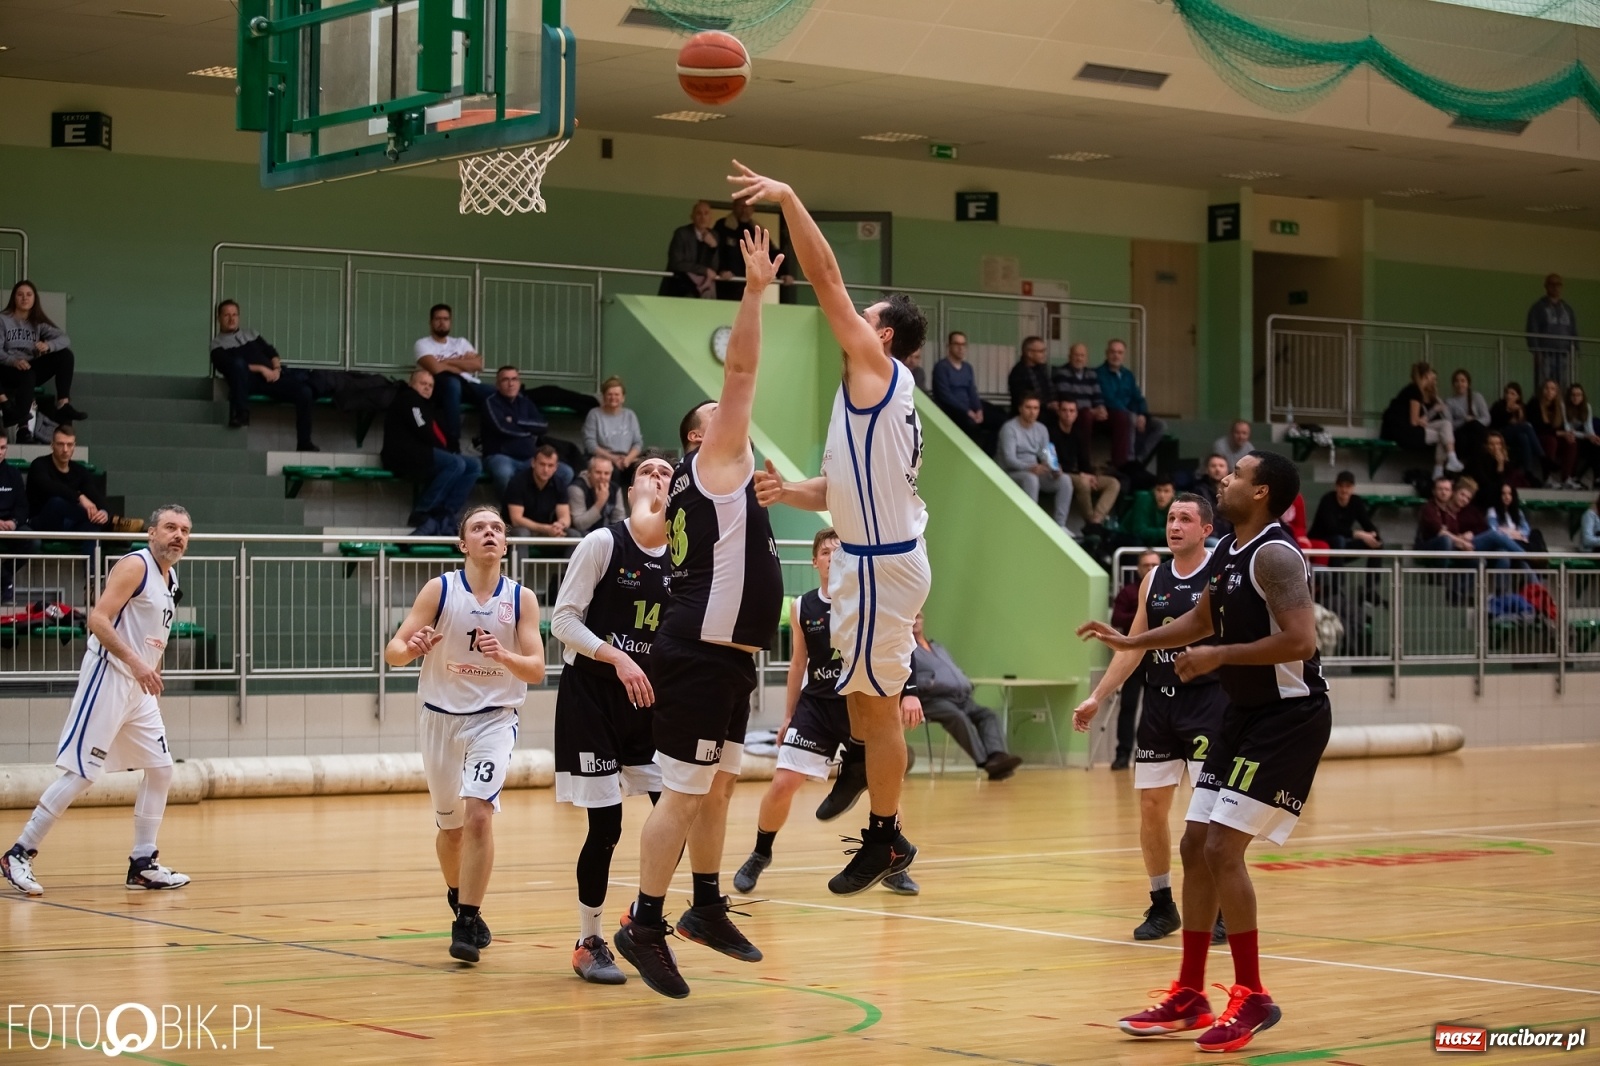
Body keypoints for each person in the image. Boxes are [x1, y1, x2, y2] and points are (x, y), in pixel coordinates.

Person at [1078, 450, 1332, 1054]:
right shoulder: (1226, 555)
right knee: (1194, 842)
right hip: (1243, 714)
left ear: (1263, 492)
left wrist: (1221, 656)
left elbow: (1300, 639)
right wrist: (1131, 639)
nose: (1227, 479)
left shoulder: (1274, 554)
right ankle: (1191, 993)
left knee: (1221, 846)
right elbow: (1198, 622)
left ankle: (1252, 996)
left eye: (1239, 475)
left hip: (1288, 718)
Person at [736, 162, 929, 899]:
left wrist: (788, 198)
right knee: (862, 705)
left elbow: (825, 278)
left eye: (862, 314)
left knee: (877, 713)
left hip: (880, 566)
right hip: (866, 558)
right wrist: (794, 492)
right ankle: (868, 776)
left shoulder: (876, 368)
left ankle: (886, 839)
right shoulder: (869, 398)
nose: (848, 319)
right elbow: (841, 488)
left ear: (880, 334)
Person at [612, 227, 785, 1000]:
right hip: (699, 646)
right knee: (683, 791)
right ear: (702, 436)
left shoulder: (717, 484)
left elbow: (651, 523)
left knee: (714, 787)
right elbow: (743, 367)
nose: (738, 418)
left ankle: (706, 905)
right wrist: (753, 290)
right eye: (721, 415)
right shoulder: (717, 464)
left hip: (729, 653)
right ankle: (644, 922)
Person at [2, 506, 194, 897]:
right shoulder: (134, 566)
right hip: (109, 676)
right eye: (170, 528)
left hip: (138, 686)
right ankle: (18, 853)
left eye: (185, 531)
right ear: (151, 533)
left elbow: (148, 630)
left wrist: (150, 666)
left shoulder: (170, 575)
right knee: (84, 773)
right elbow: (98, 619)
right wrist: (139, 663)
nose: (178, 535)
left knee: (160, 769)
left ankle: (143, 863)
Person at [383, 506, 544, 963]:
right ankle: (458, 893)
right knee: (450, 829)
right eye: (479, 528)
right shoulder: (440, 589)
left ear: (506, 544)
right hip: (439, 719)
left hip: (494, 718)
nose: (489, 533)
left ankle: (466, 921)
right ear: (463, 544)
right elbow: (392, 651)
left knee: (479, 816)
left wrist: (506, 658)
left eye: (497, 528)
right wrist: (410, 649)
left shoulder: (522, 598)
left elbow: (535, 669)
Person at [731, 529, 925, 897]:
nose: (832, 554)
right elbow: (798, 662)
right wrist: (788, 716)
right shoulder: (803, 605)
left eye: (838, 549)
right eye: (825, 550)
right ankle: (760, 852)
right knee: (784, 782)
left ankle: (893, 860)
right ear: (815, 561)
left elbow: (900, 645)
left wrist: (910, 693)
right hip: (817, 705)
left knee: (885, 790)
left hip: (863, 702)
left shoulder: (865, 597)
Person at [1073, 494, 1229, 945]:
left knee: (1208, 816)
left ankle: (1216, 904)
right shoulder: (1152, 579)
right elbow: (1136, 645)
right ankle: (1162, 904)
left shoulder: (1217, 574)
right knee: (1150, 807)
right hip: (1160, 705)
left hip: (1208, 703)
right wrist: (1097, 696)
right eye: (1170, 518)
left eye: (1185, 519)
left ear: (1205, 529)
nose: (1175, 525)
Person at [549, 453, 675, 985]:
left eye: (668, 472)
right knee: (607, 827)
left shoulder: (686, 560)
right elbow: (562, 621)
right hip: (594, 697)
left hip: (648, 703)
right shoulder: (604, 543)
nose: (659, 478)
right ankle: (588, 939)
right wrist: (618, 656)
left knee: (676, 816)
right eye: (648, 471)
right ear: (630, 488)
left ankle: (642, 923)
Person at [912, 611, 1024, 779]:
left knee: (988, 715)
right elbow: (905, 678)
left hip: (960, 697)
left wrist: (962, 679)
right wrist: (931, 683)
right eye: (911, 617)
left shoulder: (937, 647)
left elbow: (952, 668)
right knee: (958, 717)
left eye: (918, 616)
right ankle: (987, 763)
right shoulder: (906, 649)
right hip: (931, 700)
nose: (915, 620)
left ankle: (997, 756)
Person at [381, 368, 483, 537]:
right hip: (403, 454)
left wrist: (450, 450)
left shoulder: (428, 405)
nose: (427, 388)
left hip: (423, 452)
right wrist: (449, 453)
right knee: (455, 463)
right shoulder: (409, 399)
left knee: (474, 465)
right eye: (423, 383)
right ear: (411, 384)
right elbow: (423, 430)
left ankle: (446, 513)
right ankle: (423, 511)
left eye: (430, 385)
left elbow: (439, 434)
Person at [209, 299, 317, 451]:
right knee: (238, 363)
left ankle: (304, 442)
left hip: (272, 378)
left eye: (235, 314)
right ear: (219, 318)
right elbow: (228, 367)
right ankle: (242, 414)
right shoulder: (217, 345)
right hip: (248, 382)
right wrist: (261, 369)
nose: (232, 319)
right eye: (227, 315)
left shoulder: (251, 333)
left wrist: (276, 369)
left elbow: (271, 352)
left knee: (305, 392)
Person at [0, 280, 86, 436]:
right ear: (14, 298)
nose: (24, 298)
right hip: (7, 369)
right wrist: (14, 361)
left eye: (29, 294)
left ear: (34, 299)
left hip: (29, 367)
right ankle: (22, 426)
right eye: (20, 294)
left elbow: (64, 339)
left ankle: (63, 404)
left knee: (65, 355)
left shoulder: (38, 322)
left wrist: (48, 345)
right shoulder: (3, 320)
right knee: (27, 374)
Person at [481, 365, 570, 497]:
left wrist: (516, 421)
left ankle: (540, 508)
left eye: (514, 379)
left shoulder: (525, 402)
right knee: (503, 472)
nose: (511, 384)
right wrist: (529, 430)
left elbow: (543, 426)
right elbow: (502, 428)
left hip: (529, 457)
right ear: (498, 385)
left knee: (565, 472)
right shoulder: (491, 402)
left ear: (519, 382)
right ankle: (510, 512)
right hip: (501, 456)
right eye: (505, 380)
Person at [414, 303, 491, 453]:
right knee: (452, 384)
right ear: (430, 322)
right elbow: (435, 368)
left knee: (494, 392)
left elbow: (478, 365)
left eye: (446, 319)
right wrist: (462, 362)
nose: (442, 322)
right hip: (441, 386)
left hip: (467, 385)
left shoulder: (460, 342)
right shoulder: (422, 344)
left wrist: (447, 362)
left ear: (450, 321)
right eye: (438, 319)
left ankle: (485, 440)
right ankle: (453, 442)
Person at [1108, 551, 1161, 770]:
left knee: (1153, 708)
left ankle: (1148, 752)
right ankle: (1123, 753)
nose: (1149, 569)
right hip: (1133, 657)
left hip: (1158, 657)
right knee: (1128, 705)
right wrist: (1144, 615)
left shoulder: (1165, 589)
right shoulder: (1129, 592)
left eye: (1154, 565)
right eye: (1146, 565)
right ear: (1138, 568)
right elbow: (1117, 618)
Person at [998, 394, 1071, 528]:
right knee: (1031, 478)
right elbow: (1009, 459)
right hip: (1011, 472)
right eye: (1028, 407)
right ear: (1020, 409)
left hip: (1034, 470)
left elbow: (1044, 452)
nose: (1032, 412)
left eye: (1036, 408)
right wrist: (1030, 467)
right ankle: (1032, 524)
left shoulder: (1041, 428)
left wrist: (1054, 466)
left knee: (1065, 479)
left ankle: (1061, 526)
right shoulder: (1009, 428)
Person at [1380, 362, 1462, 479]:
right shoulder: (1415, 391)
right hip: (1403, 432)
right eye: (1431, 376)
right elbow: (1414, 421)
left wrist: (1423, 419)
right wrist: (1422, 420)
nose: (1433, 381)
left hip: (1405, 429)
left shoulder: (1414, 390)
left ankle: (1451, 458)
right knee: (1442, 436)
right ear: (1427, 375)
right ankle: (1440, 469)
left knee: (1446, 424)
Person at [1048, 399, 1120, 532]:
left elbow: (1084, 460)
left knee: (1113, 483)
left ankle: (1096, 520)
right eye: (1064, 410)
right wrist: (1082, 475)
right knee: (1083, 482)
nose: (1068, 414)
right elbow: (1054, 463)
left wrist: (1091, 475)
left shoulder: (1078, 432)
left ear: (1076, 414)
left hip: (1078, 473)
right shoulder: (1051, 432)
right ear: (1058, 412)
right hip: (1060, 473)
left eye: (1071, 411)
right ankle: (1090, 523)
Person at [27, 424, 111, 536]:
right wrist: (79, 497)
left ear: (74, 446)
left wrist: (103, 513)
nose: (65, 449)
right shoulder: (39, 464)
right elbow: (50, 487)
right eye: (60, 444)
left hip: (69, 522)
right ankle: (112, 523)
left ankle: (94, 553)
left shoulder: (79, 470)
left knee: (94, 524)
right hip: (41, 522)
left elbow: (95, 494)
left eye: (69, 445)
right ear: (52, 445)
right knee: (56, 502)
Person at [1098, 338, 1165, 467]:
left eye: (1119, 352)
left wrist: (1142, 414)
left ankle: (1139, 460)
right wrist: (1133, 414)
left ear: (1124, 355)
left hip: (1131, 413)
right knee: (1130, 418)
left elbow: (1138, 397)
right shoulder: (1100, 374)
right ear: (1107, 353)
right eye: (1113, 352)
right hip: (1112, 415)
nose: (1116, 355)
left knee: (1160, 425)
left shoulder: (1128, 375)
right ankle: (1128, 460)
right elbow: (1109, 399)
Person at [932, 331, 995, 451]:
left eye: (963, 344)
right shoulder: (941, 367)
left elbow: (972, 391)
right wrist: (968, 412)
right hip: (952, 410)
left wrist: (979, 409)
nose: (961, 348)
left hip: (969, 408)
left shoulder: (967, 367)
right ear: (949, 346)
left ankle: (987, 458)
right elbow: (945, 396)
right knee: (971, 425)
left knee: (999, 418)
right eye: (957, 344)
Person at [1053, 342, 1109, 460]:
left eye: (1082, 356)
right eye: (1076, 355)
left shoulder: (1092, 374)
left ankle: (1121, 464)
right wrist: (1090, 410)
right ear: (1069, 357)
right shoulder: (1062, 372)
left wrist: (1101, 408)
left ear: (1086, 358)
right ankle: (1084, 459)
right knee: (1086, 415)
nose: (1079, 358)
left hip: (1091, 413)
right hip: (1073, 412)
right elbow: (1066, 398)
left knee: (1120, 417)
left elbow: (1097, 395)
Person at [583, 377, 644, 485]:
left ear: (623, 398)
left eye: (617, 395)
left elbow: (637, 443)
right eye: (609, 394)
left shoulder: (630, 415)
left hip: (627, 458)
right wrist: (613, 459)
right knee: (613, 472)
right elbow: (590, 444)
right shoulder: (594, 414)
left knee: (643, 471)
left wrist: (627, 460)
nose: (613, 398)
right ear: (603, 396)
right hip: (603, 458)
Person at [0, 431, 38, 600]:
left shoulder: (13, 473)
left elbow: (23, 505)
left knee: (32, 540)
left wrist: (14, 522)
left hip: (10, 525)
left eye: (2, 447)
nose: (0, 452)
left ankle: (4, 575)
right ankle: (5, 580)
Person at [506, 445, 572, 539]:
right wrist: (545, 528)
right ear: (533, 463)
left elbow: (565, 517)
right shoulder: (517, 482)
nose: (546, 470)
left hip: (547, 529)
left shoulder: (559, 484)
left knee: (574, 535)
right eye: (542, 464)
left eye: (550, 465)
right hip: (517, 529)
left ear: (556, 467)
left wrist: (560, 525)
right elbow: (516, 520)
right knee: (522, 533)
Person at [1309, 472, 1381, 556]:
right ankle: (1337, 569)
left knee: (1376, 542)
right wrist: (1357, 534)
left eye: (1348, 486)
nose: (1344, 490)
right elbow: (1331, 529)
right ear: (1336, 487)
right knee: (1339, 540)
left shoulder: (1356, 501)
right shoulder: (1327, 500)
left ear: (1353, 488)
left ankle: (1373, 569)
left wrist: (1373, 534)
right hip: (1322, 539)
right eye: (1341, 486)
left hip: (1344, 541)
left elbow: (1367, 523)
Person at [1526, 273, 1578, 388]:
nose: (1555, 287)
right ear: (1546, 286)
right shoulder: (1538, 307)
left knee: (1563, 387)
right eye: (1552, 284)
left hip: (1564, 355)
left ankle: (1560, 406)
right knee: (1544, 386)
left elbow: (1574, 331)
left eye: (1558, 284)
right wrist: (1536, 351)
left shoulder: (1567, 309)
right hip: (1545, 355)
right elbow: (1532, 330)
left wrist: (1575, 351)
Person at [659, 200, 720, 299]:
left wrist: (713, 247)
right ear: (692, 217)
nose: (703, 217)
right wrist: (704, 270)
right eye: (699, 213)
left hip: (703, 290)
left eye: (706, 213)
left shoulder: (715, 235)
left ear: (710, 218)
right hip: (680, 288)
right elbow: (676, 263)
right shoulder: (681, 234)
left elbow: (715, 267)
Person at [1489, 382, 1546, 486]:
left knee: (1523, 437)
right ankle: (1543, 457)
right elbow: (1497, 422)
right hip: (1500, 434)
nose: (1508, 396)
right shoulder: (1498, 405)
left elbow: (1524, 422)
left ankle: (1528, 472)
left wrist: (1519, 412)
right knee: (1526, 427)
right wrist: (1508, 411)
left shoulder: (1522, 407)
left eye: (1512, 393)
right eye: (1507, 393)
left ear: (1518, 396)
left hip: (1515, 437)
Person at [1531, 378, 1579, 489]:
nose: (1549, 391)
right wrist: (1561, 433)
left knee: (1571, 442)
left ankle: (1566, 478)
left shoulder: (1559, 406)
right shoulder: (1535, 403)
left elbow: (1562, 427)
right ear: (1542, 390)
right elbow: (1539, 427)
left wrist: (1567, 434)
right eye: (1546, 388)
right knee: (1551, 441)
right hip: (1538, 437)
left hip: (1555, 436)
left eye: (1552, 389)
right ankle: (1547, 477)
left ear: (1556, 392)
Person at [567, 454, 626, 535]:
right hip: (583, 535)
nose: (602, 477)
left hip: (606, 534)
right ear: (589, 472)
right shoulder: (577, 488)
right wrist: (600, 503)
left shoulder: (615, 489)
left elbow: (619, 519)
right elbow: (579, 525)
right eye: (598, 472)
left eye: (606, 473)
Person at [1444, 368, 1490, 468]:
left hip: (1477, 431)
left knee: (1474, 428)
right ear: (1453, 384)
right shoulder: (1449, 402)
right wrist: (1465, 421)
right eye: (1457, 381)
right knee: (1467, 434)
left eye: (1463, 381)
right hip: (1461, 431)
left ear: (1468, 383)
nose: (1460, 384)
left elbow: (1487, 418)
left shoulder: (1477, 397)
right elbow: (1449, 424)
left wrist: (1473, 421)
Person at [1485, 482, 1545, 555]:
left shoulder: (1518, 512)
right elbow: (1493, 531)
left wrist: (1519, 534)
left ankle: (1541, 557)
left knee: (1536, 533)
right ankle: (1534, 557)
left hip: (1520, 540)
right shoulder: (1492, 511)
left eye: (1509, 494)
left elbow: (1526, 529)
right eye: (1504, 494)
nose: (1507, 497)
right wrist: (1511, 534)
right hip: (1507, 542)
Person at [1123, 477, 1176, 548]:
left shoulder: (1177, 504)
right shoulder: (1143, 500)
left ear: (1173, 493)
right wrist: (1167, 532)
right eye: (1158, 490)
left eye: (1166, 491)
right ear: (1153, 491)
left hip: (1155, 540)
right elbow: (1139, 531)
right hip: (1128, 537)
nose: (1162, 495)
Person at [1008, 336, 1054, 414]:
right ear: (1029, 353)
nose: (1044, 354)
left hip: (1046, 413)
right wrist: (1047, 405)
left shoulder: (1041, 369)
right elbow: (1023, 399)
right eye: (1041, 351)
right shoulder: (1018, 373)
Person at [1193, 454, 1235, 544]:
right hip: (1208, 536)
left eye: (1221, 466)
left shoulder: (1234, 491)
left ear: (1228, 469)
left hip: (1231, 535)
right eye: (1213, 466)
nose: (1217, 469)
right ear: (1207, 469)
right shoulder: (1199, 491)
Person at [1564, 383, 1599, 487]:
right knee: (1579, 445)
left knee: (1596, 445)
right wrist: (1587, 436)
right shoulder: (1564, 406)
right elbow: (1568, 429)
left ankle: (1597, 478)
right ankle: (1577, 477)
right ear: (1569, 396)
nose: (1576, 398)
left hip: (1582, 435)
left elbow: (1589, 427)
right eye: (1573, 395)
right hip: (1569, 436)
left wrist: (1593, 437)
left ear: (1582, 396)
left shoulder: (1587, 407)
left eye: (1578, 395)